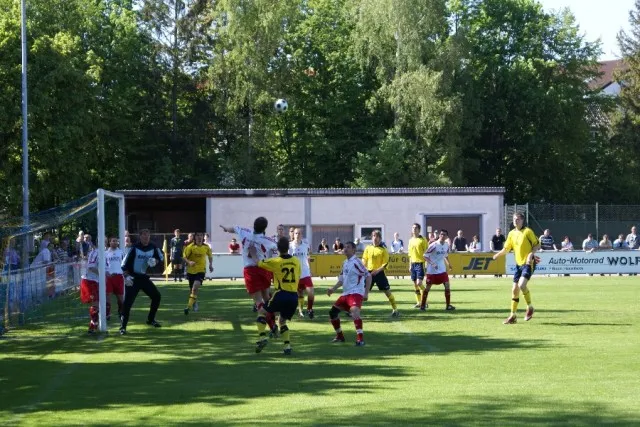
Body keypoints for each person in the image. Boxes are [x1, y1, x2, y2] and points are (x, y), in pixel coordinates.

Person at [220, 217, 278, 333]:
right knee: (267, 298)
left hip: (250, 270)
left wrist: (226, 228)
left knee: (258, 302)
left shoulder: (245, 232)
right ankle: (273, 325)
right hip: (263, 268)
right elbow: (276, 247)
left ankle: (267, 329)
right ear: (264, 229)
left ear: (253, 225)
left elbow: (234, 228)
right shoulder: (267, 240)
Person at [251, 236, 300, 355]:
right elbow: (298, 276)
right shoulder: (296, 261)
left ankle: (262, 337)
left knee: (262, 311)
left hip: (281, 293)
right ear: (288, 248)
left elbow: (258, 263)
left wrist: (253, 252)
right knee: (282, 321)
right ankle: (287, 347)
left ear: (278, 249)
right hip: (294, 297)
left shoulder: (276, 261)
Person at [492, 213, 540, 324]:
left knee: (522, 285)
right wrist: (497, 255)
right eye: (514, 219)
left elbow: (537, 245)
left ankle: (530, 307)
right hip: (518, 265)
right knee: (514, 290)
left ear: (522, 220)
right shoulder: (511, 233)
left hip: (528, 263)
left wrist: (530, 255)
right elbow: (506, 249)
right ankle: (512, 316)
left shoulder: (528, 232)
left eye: (518, 219)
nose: (515, 221)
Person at [119, 229, 164, 335]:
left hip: (143, 278)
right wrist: (126, 276)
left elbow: (160, 257)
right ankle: (123, 327)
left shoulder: (153, 247)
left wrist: (155, 261)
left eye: (148, 236)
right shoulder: (134, 248)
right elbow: (123, 264)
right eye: (144, 236)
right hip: (132, 278)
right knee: (128, 303)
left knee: (156, 296)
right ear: (140, 236)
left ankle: (150, 319)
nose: (146, 238)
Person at [327, 241, 371, 346]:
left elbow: (368, 276)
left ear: (353, 250)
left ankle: (360, 340)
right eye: (345, 247)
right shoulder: (345, 263)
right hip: (346, 293)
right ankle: (340, 336)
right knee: (333, 313)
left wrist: (366, 293)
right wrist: (333, 289)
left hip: (356, 292)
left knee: (354, 312)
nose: (345, 249)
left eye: (348, 247)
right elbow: (341, 280)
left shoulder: (357, 262)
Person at [362, 230, 399, 317]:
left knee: (387, 292)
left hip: (379, 273)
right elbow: (364, 258)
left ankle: (395, 310)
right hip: (369, 273)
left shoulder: (383, 249)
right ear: (371, 237)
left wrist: (377, 271)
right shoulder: (368, 248)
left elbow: (385, 264)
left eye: (377, 236)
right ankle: (353, 310)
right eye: (374, 236)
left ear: (380, 238)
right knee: (362, 292)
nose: (375, 238)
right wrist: (364, 266)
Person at [421, 229, 455, 311]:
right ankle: (422, 305)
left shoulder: (446, 245)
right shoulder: (434, 245)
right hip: (432, 271)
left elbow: (445, 255)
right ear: (439, 235)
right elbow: (425, 255)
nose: (442, 236)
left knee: (447, 285)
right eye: (441, 234)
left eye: (444, 235)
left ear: (446, 236)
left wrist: (449, 264)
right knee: (428, 288)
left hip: (442, 270)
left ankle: (448, 306)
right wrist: (432, 263)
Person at [183, 232, 214, 315]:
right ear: (195, 237)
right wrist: (189, 262)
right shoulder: (190, 247)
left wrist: (210, 265)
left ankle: (188, 307)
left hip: (201, 271)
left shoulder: (206, 247)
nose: (199, 237)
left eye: (201, 235)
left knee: (195, 287)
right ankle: (194, 302)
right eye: (197, 235)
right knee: (192, 290)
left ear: (203, 237)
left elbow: (210, 256)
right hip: (191, 271)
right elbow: (184, 257)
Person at [290, 228, 315, 319]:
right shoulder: (289, 246)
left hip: (305, 273)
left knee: (311, 292)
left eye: (299, 233)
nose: (297, 235)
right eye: (296, 233)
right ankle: (300, 311)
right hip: (294, 275)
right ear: (293, 235)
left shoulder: (306, 245)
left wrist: (310, 269)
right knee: (299, 294)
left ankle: (309, 309)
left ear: (302, 235)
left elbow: (308, 257)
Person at [80, 244, 100, 334]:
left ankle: (94, 325)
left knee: (98, 304)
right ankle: (92, 327)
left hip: (95, 280)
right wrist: (102, 274)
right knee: (95, 304)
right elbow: (91, 267)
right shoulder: (95, 252)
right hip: (90, 281)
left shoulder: (103, 252)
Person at [105, 237, 125, 321]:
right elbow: (104, 265)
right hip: (109, 277)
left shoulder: (121, 252)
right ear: (110, 242)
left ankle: (121, 312)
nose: (115, 242)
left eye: (116, 241)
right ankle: (107, 313)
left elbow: (124, 264)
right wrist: (106, 273)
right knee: (107, 296)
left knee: (120, 298)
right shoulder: (105, 253)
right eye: (113, 241)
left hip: (119, 276)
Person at [408, 223, 427, 308]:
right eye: (413, 228)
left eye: (416, 228)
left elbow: (426, 253)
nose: (414, 229)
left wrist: (426, 264)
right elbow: (410, 254)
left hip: (420, 263)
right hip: (413, 264)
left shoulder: (423, 240)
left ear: (419, 230)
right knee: (415, 284)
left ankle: (425, 300)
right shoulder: (410, 240)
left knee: (419, 283)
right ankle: (419, 302)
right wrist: (410, 265)